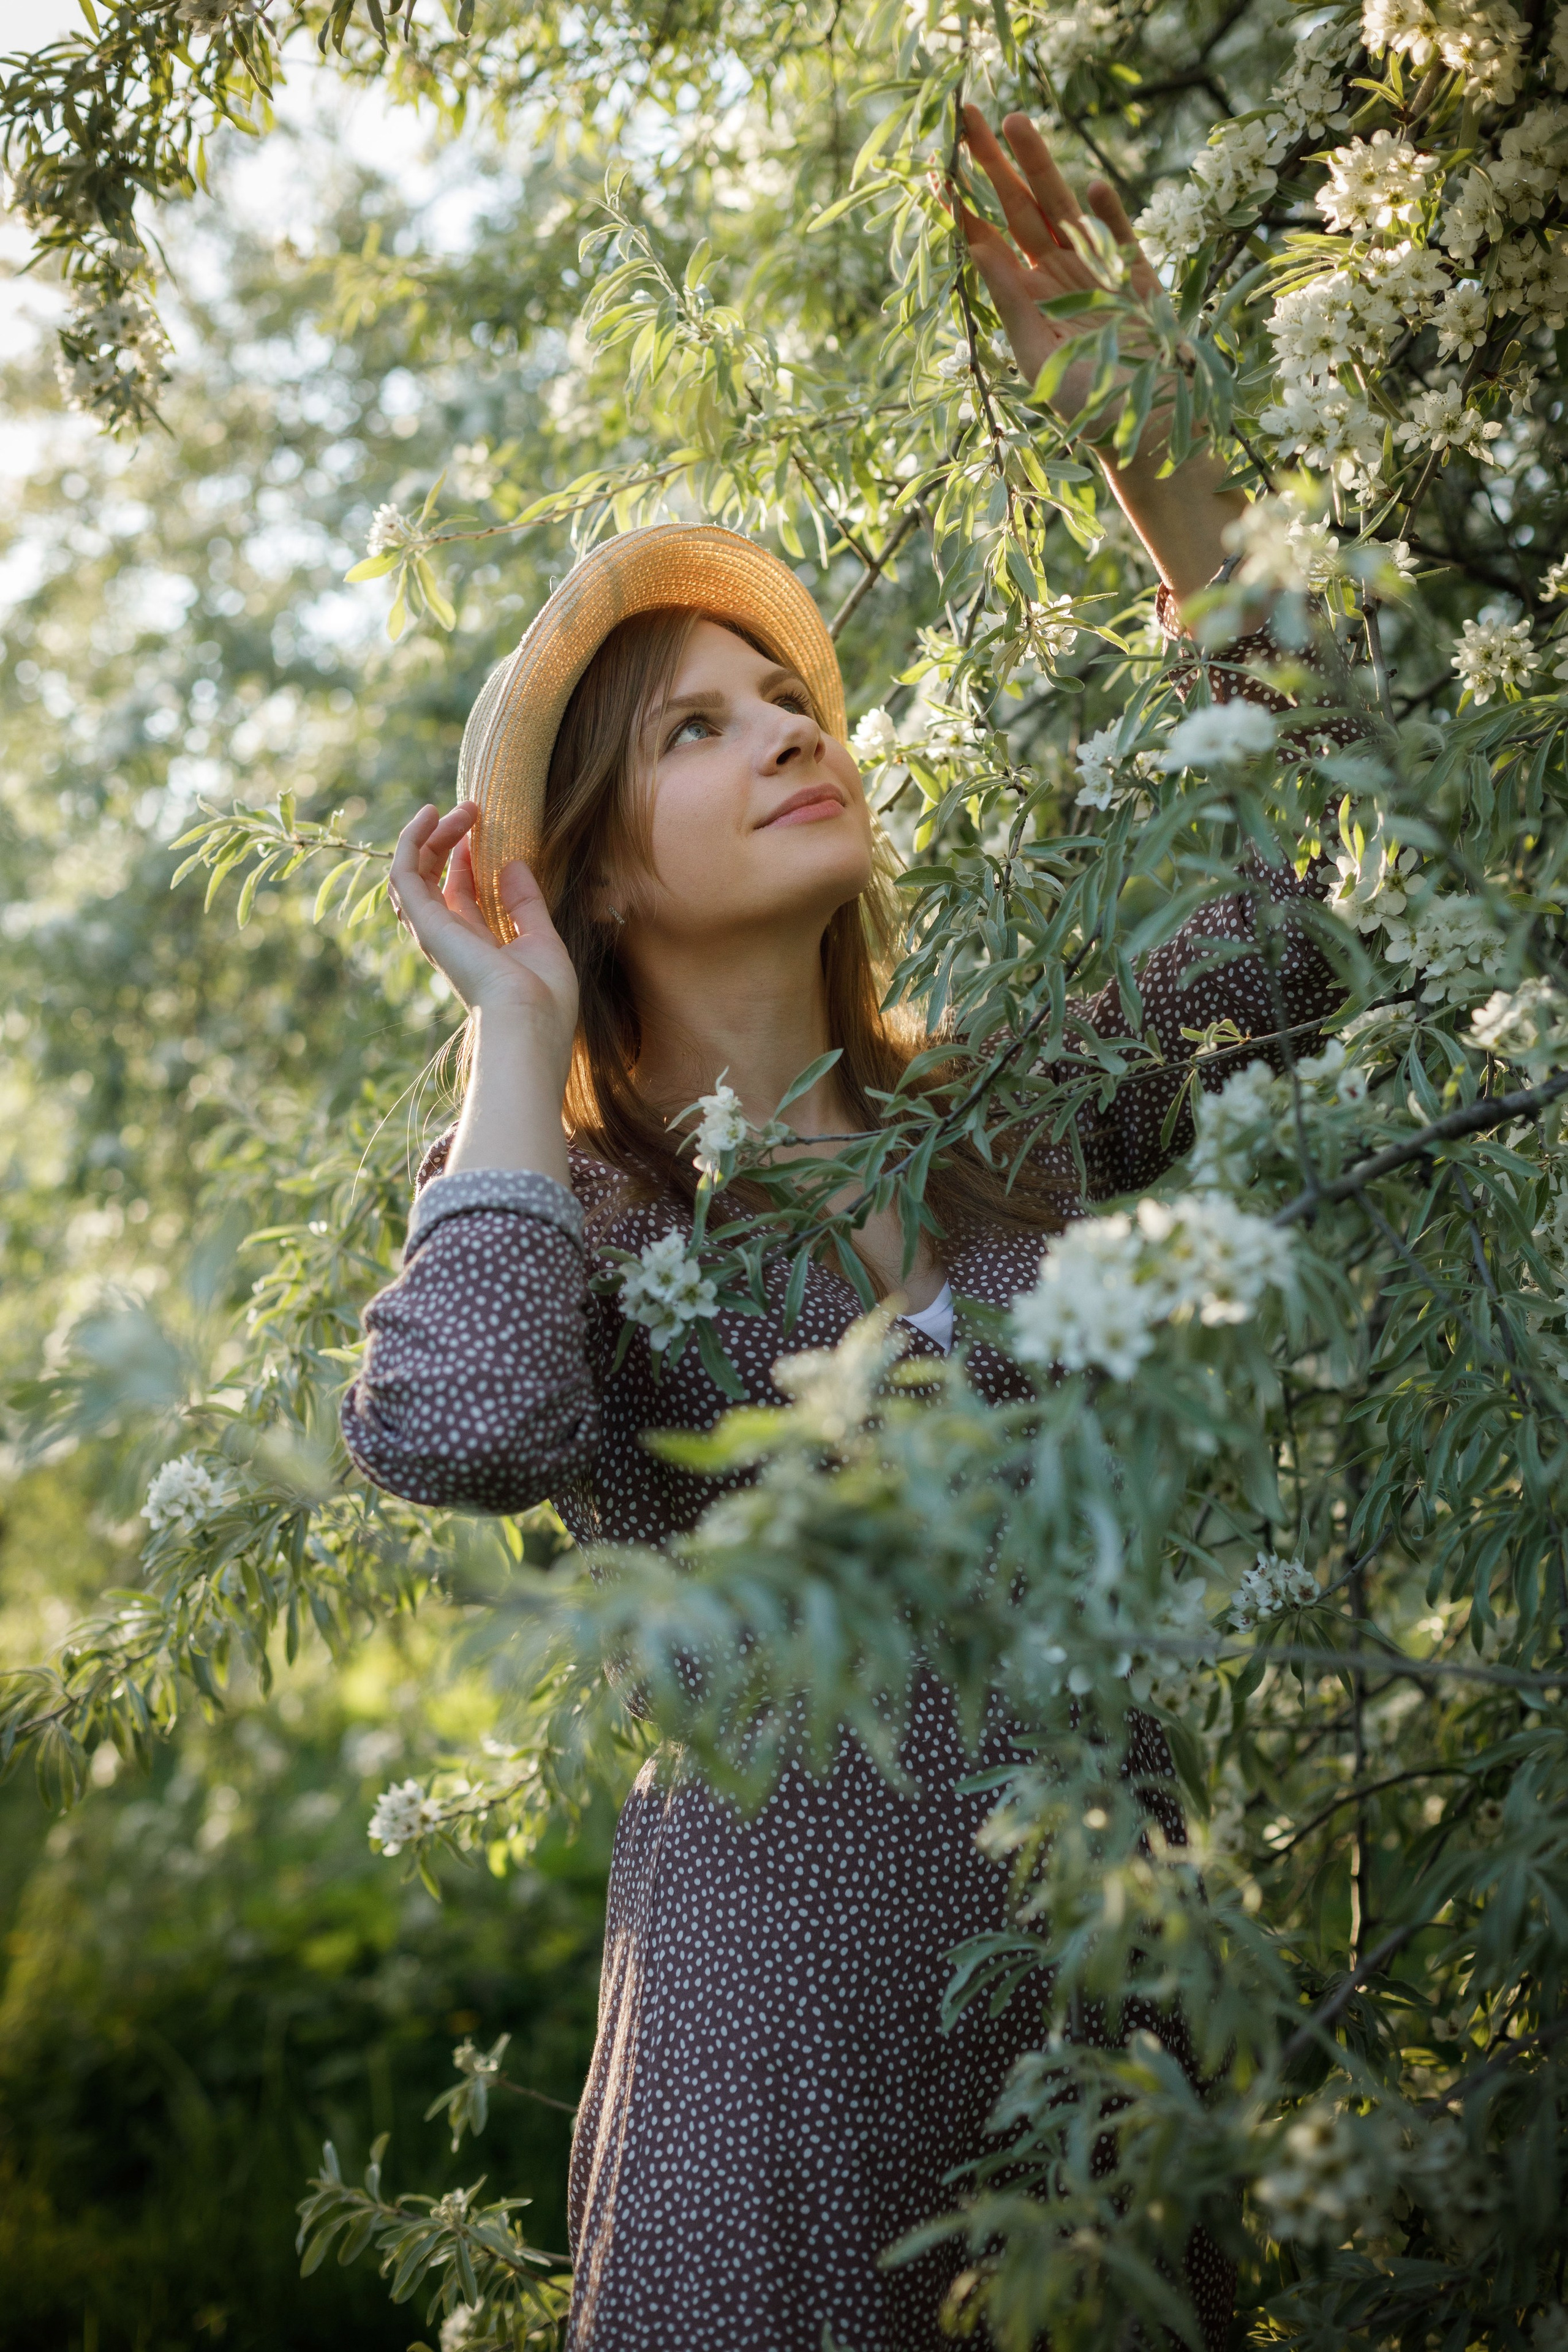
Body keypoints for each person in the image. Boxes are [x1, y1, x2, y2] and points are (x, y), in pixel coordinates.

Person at [341, 111, 1357, 2352]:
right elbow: (468, 1425)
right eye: (695, 730)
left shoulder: (1000, 1115)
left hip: (1104, 2063)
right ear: (595, 871)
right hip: (772, 2106)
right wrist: (513, 1030)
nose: (788, 725)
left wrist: (1161, 461)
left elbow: (1278, 927)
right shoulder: (575, 1206)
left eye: (784, 695)